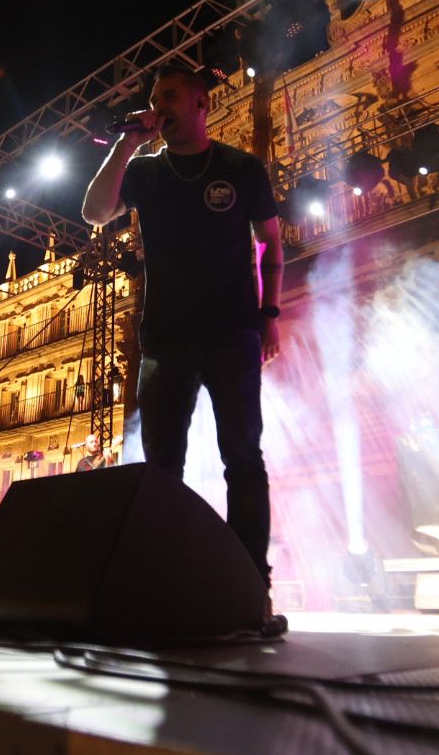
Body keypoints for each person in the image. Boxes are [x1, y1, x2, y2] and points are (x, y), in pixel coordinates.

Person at [82, 64, 287, 636]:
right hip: (166, 338)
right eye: (154, 98)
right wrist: (128, 141)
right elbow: (95, 211)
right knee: (161, 467)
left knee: (241, 459)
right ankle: (163, 587)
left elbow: (272, 242)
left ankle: (253, 590)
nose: (159, 104)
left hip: (232, 332)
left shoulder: (240, 168)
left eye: (169, 95)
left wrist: (270, 313)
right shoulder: (146, 172)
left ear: (201, 102)